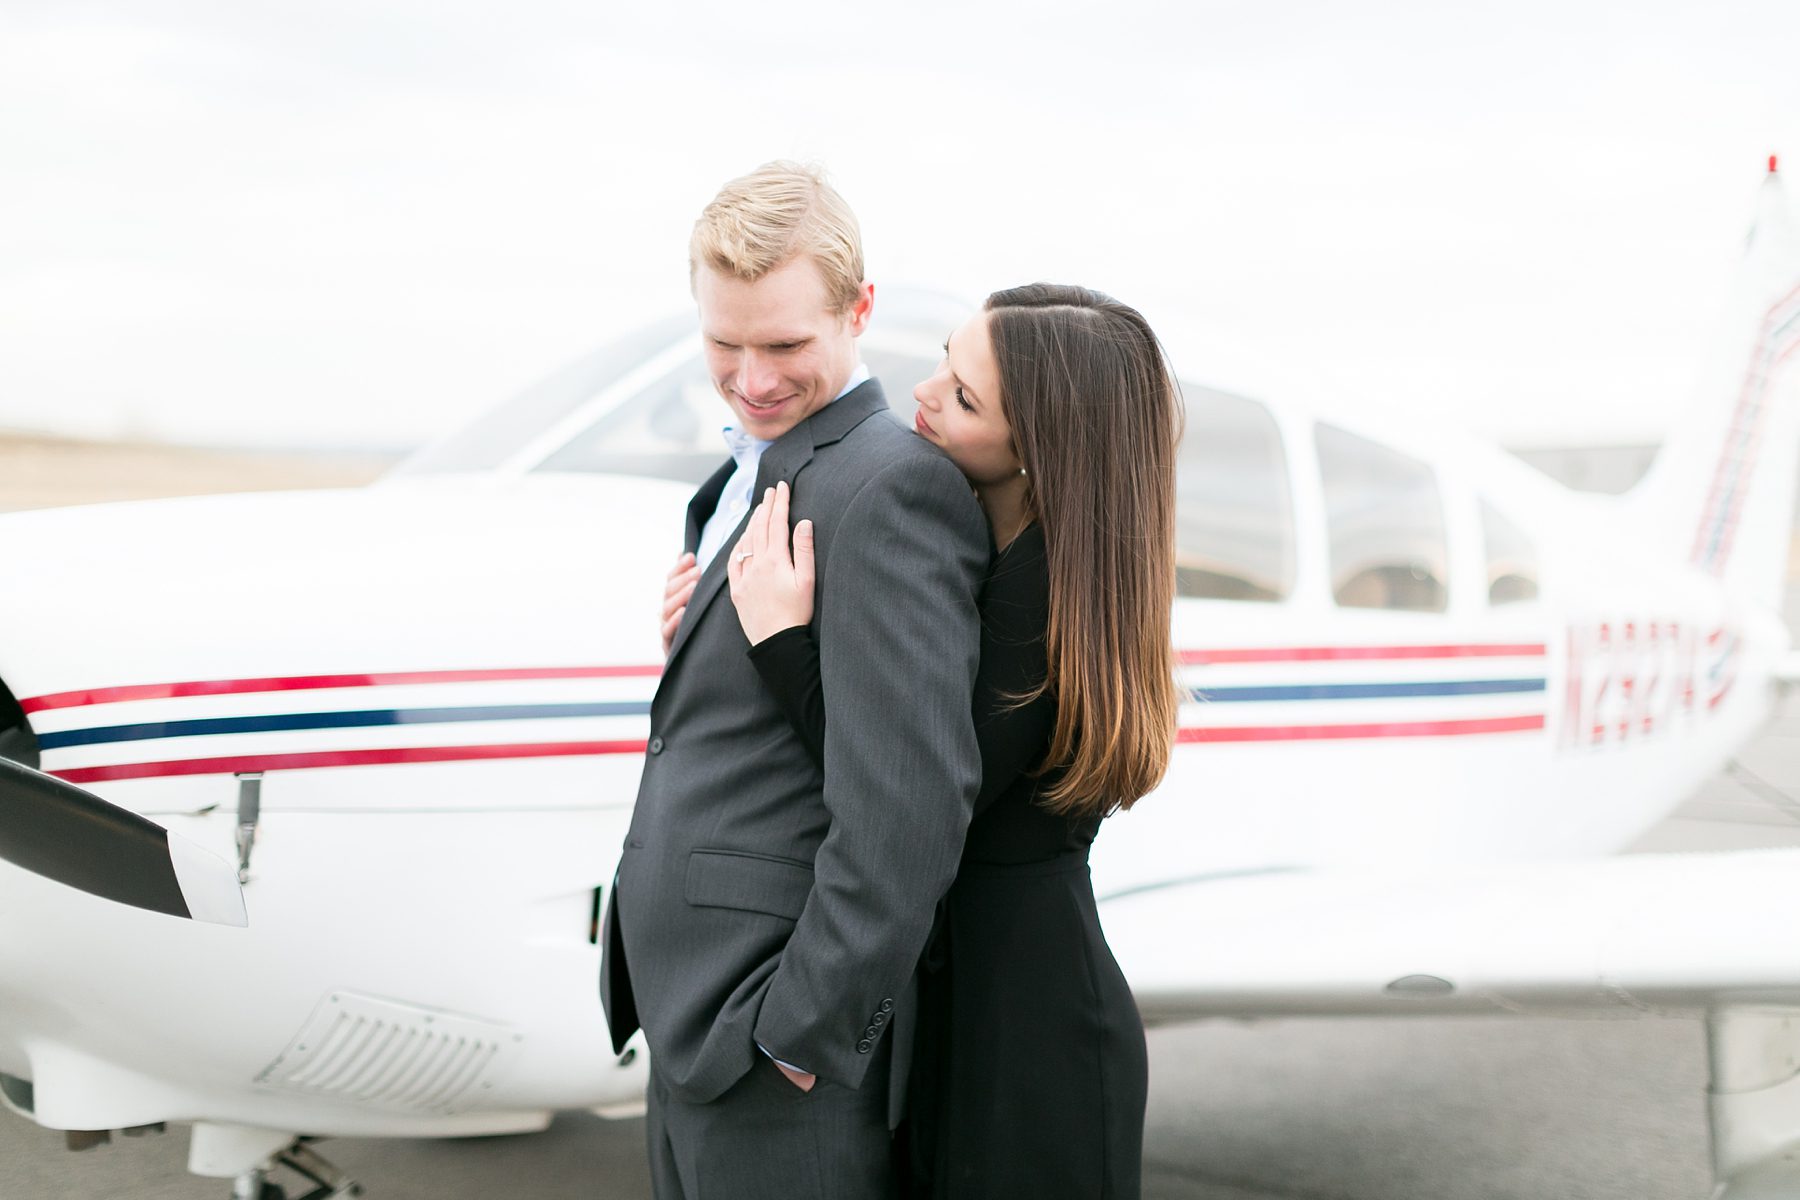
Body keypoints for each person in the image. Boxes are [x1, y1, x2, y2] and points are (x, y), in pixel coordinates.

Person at [727, 284, 1183, 1199]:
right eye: (945, 358)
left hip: (1030, 1041)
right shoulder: (1010, 558)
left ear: (1041, 455)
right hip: (976, 1005)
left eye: (965, 399)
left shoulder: (1043, 600)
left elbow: (911, 784)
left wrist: (779, 641)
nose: (924, 393)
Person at [598, 162, 989, 1200]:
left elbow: (909, 805)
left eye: (785, 345)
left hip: (767, 1038)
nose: (754, 377)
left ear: (859, 311)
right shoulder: (738, 476)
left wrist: (800, 1032)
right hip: (691, 1022)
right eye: (725, 344)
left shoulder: (891, 489)